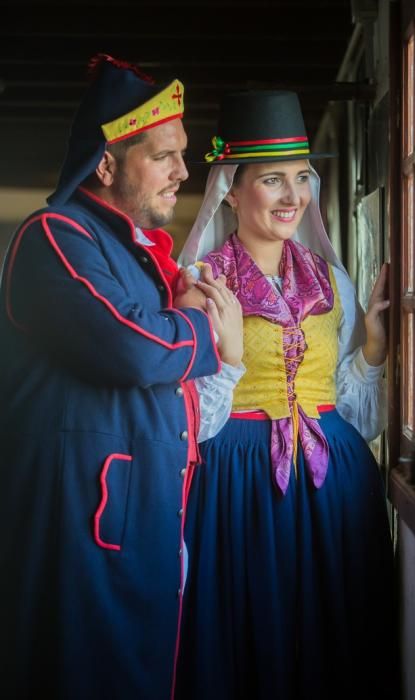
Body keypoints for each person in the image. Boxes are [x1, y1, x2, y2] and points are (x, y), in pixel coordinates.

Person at [0, 54, 243, 700]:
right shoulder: (53, 235)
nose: (182, 172)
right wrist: (203, 332)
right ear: (105, 163)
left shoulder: (132, 254)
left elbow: (165, 369)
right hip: (79, 535)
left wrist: (186, 330)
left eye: (183, 155)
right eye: (163, 156)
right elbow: (134, 347)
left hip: (139, 525)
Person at [175, 90, 400, 699]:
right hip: (240, 486)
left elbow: (356, 415)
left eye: (301, 178)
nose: (292, 196)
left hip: (337, 488)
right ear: (232, 188)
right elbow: (188, 419)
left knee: (338, 636)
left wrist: (373, 347)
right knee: (254, 634)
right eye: (272, 180)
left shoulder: (335, 280)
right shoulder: (200, 284)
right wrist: (231, 362)